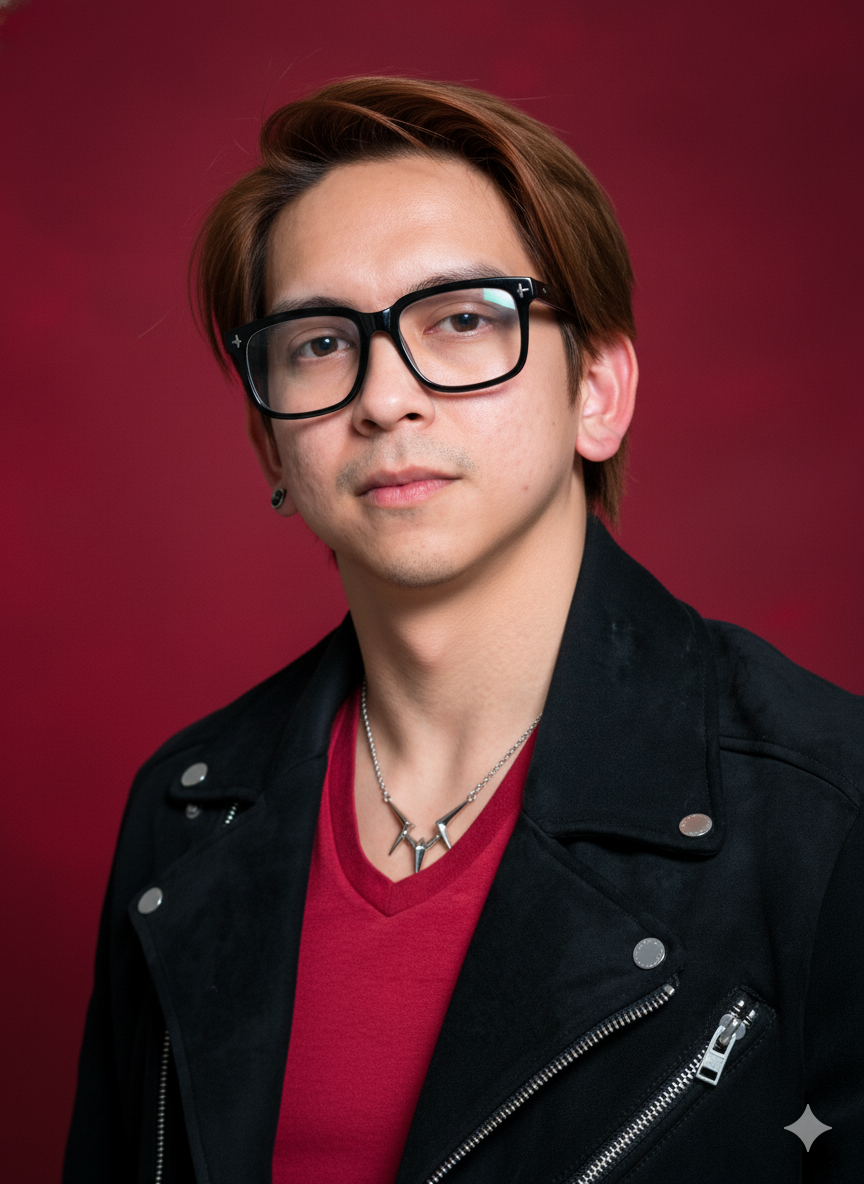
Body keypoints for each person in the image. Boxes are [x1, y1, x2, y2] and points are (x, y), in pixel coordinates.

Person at [64, 76, 862, 1184]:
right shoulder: (187, 810)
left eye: (463, 319)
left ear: (598, 390)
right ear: (270, 446)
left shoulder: (827, 810)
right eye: (319, 342)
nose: (385, 397)